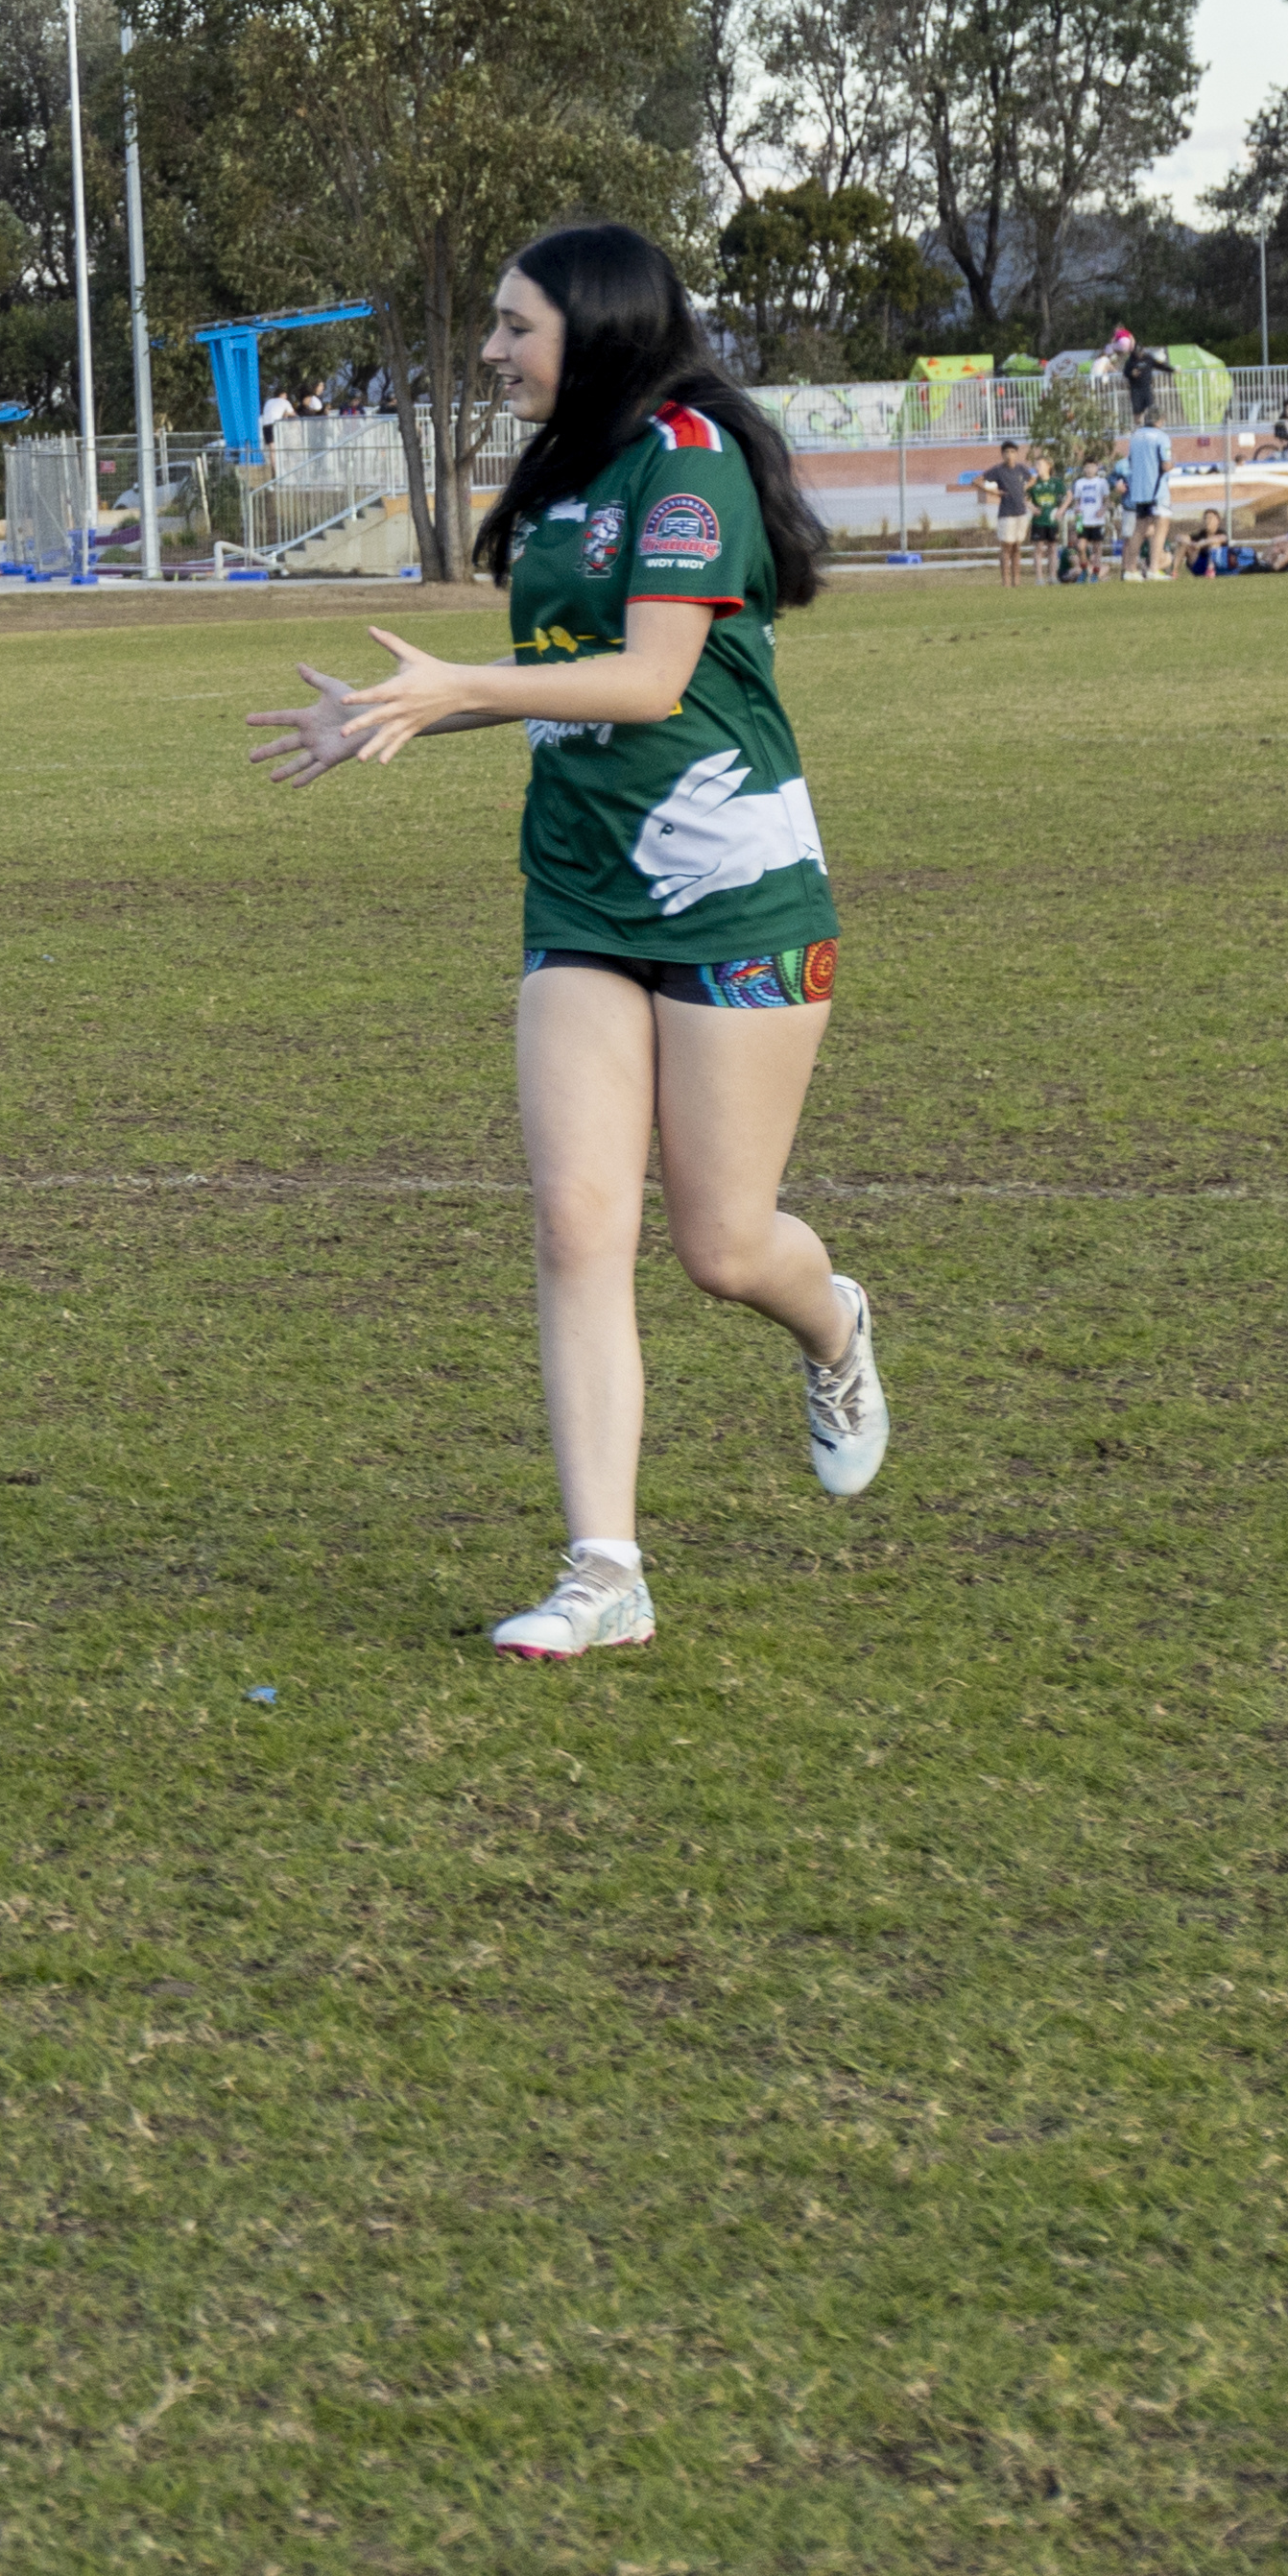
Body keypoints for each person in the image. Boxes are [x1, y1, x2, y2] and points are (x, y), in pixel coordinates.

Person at [243, 222, 885, 1666]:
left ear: (589, 329)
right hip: (582, 895)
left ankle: (830, 1320)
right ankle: (605, 1570)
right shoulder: (560, 479)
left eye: (510, 324)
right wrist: (396, 711)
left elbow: (653, 678)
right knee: (574, 1219)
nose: (487, 349)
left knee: (722, 1247)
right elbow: (561, 682)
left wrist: (456, 680)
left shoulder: (686, 453)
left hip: (734, 891)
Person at [1118, 413, 1172, 580]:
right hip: (1156, 490)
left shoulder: (1135, 436)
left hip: (1139, 490)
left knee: (1139, 529)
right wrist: (1172, 464)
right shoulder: (1161, 437)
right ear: (1160, 421)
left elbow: (1131, 461)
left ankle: (1130, 569)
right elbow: (1166, 464)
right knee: (1161, 526)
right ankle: (1153, 569)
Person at [974, 445, 1036, 588]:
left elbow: (1032, 479)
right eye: (1006, 452)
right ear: (1002, 454)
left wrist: (1024, 488)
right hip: (1006, 513)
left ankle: (1017, 581)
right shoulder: (998, 470)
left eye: (1012, 452)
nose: (1010, 455)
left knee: (1017, 546)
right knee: (1006, 546)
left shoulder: (1021, 469)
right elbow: (977, 480)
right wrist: (994, 492)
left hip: (1020, 512)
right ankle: (1005, 581)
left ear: (1017, 454)